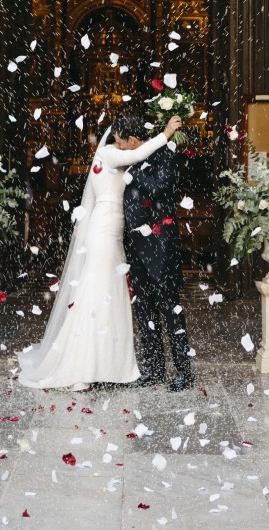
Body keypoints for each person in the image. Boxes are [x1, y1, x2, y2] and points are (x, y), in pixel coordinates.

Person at [17, 114, 184, 390]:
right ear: (116, 138)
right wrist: (165, 133)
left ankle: (107, 364)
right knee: (97, 295)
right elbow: (141, 151)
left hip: (112, 234)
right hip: (104, 232)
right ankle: (81, 366)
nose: (124, 144)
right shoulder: (108, 154)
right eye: (121, 140)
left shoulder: (115, 157)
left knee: (109, 297)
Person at [122, 114, 194, 392]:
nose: (123, 151)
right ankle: (154, 368)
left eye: (125, 145)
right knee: (144, 310)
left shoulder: (166, 155)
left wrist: (137, 168)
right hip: (136, 248)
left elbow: (159, 187)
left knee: (170, 309)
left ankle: (183, 372)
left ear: (134, 141)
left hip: (161, 247)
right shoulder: (130, 159)